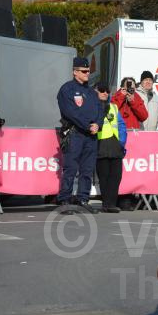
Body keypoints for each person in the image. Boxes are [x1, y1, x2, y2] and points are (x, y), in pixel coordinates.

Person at [56, 57, 103, 214]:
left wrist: (98, 124)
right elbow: (70, 112)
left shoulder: (91, 92)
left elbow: (100, 110)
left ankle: (83, 199)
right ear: (75, 72)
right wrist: (88, 125)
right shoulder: (67, 89)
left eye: (88, 71)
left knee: (87, 170)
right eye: (83, 71)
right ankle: (64, 200)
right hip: (75, 133)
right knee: (70, 168)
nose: (87, 73)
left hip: (91, 136)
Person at [94, 82, 127, 213]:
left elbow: (121, 125)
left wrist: (121, 142)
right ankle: (106, 204)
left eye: (107, 91)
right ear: (95, 91)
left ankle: (112, 204)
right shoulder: (91, 106)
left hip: (114, 144)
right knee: (104, 176)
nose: (105, 93)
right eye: (102, 90)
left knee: (116, 176)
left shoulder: (113, 107)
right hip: (100, 144)